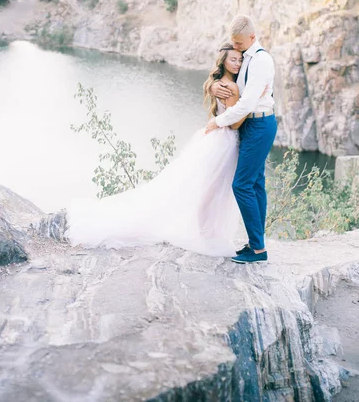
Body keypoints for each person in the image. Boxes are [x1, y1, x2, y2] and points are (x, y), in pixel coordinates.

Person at [66, 44, 244, 257]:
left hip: (217, 139)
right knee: (214, 190)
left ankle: (206, 232)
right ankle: (207, 235)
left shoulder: (221, 83)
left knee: (209, 188)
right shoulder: (231, 87)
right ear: (223, 61)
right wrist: (249, 106)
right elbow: (234, 124)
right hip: (224, 141)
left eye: (240, 60)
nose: (238, 63)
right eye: (233, 59)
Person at [205, 15, 277, 264]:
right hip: (250, 124)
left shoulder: (261, 60)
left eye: (237, 42)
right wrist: (212, 86)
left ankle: (257, 249)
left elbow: (246, 102)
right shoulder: (245, 56)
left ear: (252, 37)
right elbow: (230, 81)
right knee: (256, 183)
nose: (234, 46)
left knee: (242, 185)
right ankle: (257, 244)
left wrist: (218, 121)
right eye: (233, 43)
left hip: (260, 123)